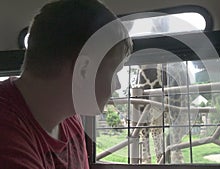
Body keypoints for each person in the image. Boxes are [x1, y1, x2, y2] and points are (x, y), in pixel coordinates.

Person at [0, 0, 132, 168]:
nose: (118, 85)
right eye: (115, 72)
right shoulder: (6, 134)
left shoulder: (69, 118)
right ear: (84, 70)